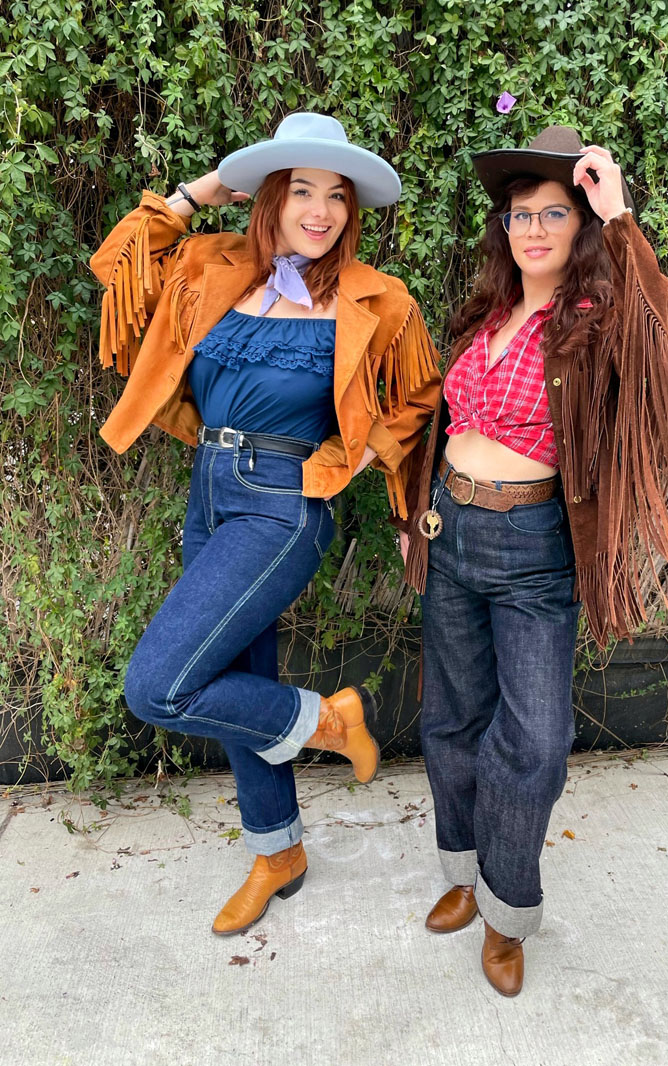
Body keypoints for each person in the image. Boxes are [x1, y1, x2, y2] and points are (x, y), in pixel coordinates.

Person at [89, 113, 440, 936]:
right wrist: (209, 185)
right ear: (271, 197)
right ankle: (276, 849)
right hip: (208, 489)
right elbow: (116, 265)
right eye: (302, 190)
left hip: (284, 503)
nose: (320, 211)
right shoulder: (214, 264)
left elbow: (419, 398)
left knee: (161, 685)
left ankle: (327, 723)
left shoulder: (378, 299)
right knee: (228, 672)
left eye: (338, 197)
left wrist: (354, 460)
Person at [400, 126, 668, 996]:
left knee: (534, 742)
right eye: (519, 214)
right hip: (450, 531)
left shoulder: (596, 323)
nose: (533, 229)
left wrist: (620, 216)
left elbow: (667, 340)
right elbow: (444, 423)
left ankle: (507, 909)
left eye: (554, 214)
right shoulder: (484, 314)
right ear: (502, 228)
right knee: (452, 718)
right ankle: (463, 874)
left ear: (578, 227)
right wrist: (417, 510)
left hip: (535, 547)